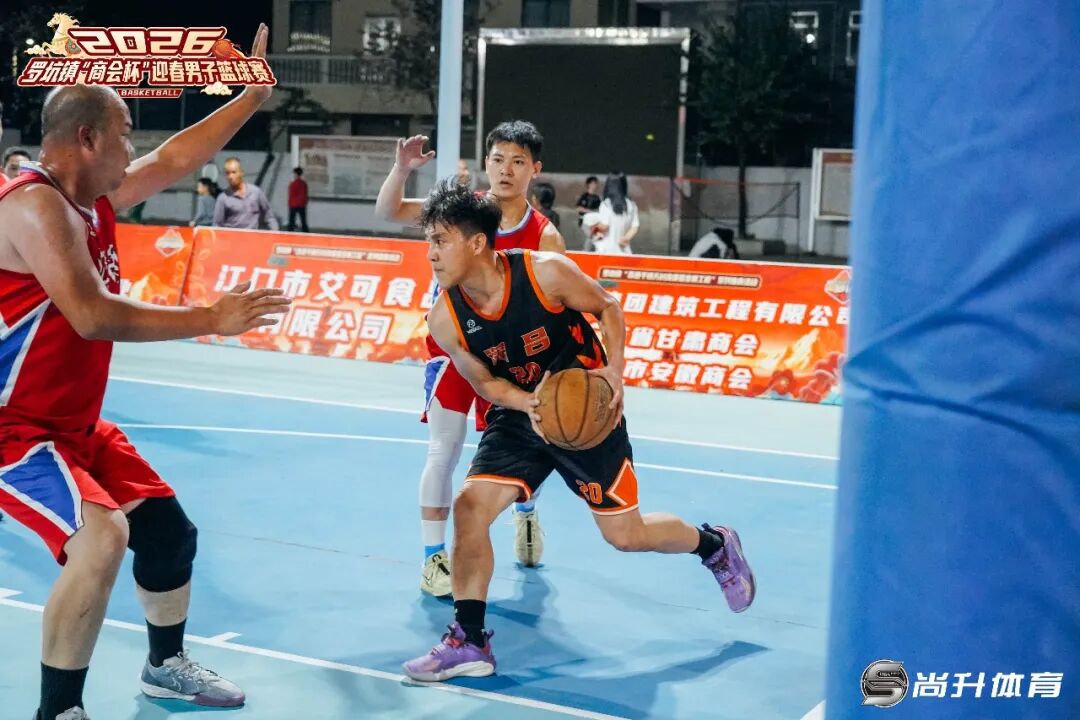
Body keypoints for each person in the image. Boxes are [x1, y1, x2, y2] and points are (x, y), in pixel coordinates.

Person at [0, 25, 290, 720]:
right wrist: (210, 317)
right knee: (102, 540)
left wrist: (251, 96)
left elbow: (177, 156)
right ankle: (58, 711)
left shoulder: (89, 197)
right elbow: (92, 315)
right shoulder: (35, 204)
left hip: (73, 427)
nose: (136, 148)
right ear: (87, 139)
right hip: (16, 433)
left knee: (168, 534)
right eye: (125, 134)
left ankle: (165, 667)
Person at [401, 180, 756, 681]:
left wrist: (614, 372)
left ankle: (712, 544)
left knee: (626, 535)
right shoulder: (445, 317)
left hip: (586, 412)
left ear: (477, 242)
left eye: (440, 240)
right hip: (520, 414)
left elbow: (608, 307)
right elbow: (483, 381)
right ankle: (470, 641)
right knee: (470, 507)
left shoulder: (545, 272)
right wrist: (527, 402)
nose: (431, 253)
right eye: (429, 241)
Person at [375, 121, 566, 598]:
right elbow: (389, 211)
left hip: (513, 355)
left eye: (518, 161)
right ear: (486, 163)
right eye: (498, 159)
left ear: (535, 169)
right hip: (453, 346)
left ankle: (526, 513)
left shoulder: (545, 237)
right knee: (444, 448)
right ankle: (432, 558)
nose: (506, 170)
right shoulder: (461, 212)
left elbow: (562, 305)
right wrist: (401, 170)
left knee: (525, 447)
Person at [213, 156, 278, 230]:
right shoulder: (223, 198)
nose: (230, 176)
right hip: (232, 236)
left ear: (241, 173)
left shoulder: (256, 192)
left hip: (252, 236)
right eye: (227, 173)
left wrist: (275, 232)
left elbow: (269, 216)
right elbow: (217, 225)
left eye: (234, 172)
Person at [592, 172, 639, 255]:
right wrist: (625, 238)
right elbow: (635, 227)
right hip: (624, 251)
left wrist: (594, 227)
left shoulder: (606, 204)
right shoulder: (631, 205)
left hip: (606, 251)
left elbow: (604, 226)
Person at [575, 175, 601, 248]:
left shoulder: (597, 198)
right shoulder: (584, 196)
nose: (594, 185)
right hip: (584, 221)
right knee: (590, 236)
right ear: (588, 184)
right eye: (592, 183)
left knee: (595, 238)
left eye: (595, 183)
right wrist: (589, 211)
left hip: (594, 222)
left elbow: (599, 210)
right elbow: (578, 208)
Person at [287, 166, 309, 232]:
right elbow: (305, 195)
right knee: (303, 221)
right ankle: (306, 233)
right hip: (302, 205)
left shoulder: (292, 184)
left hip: (293, 204)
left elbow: (291, 195)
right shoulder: (304, 184)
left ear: (296, 174)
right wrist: (305, 203)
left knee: (291, 221)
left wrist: (289, 204)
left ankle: (290, 233)